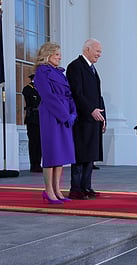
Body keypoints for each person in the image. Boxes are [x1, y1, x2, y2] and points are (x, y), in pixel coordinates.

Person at [33, 42, 77, 204]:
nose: (60, 57)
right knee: (52, 153)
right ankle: (48, 191)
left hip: (65, 112)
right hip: (51, 114)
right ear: (48, 54)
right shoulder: (41, 72)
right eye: (57, 54)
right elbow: (48, 96)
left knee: (61, 154)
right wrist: (65, 115)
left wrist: (73, 112)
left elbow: (69, 94)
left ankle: (57, 189)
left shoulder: (60, 73)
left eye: (59, 54)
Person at [66, 38, 105, 200]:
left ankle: (86, 186)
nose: (99, 55)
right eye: (97, 51)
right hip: (82, 119)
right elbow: (77, 93)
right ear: (87, 49)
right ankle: (76, 188)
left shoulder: (93, 69)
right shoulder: (75, 66)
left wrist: (104, 118)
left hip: (94, 118)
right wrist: (90, 110)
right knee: (80, 154)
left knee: (90, 155)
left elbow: (98, 95)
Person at [22, 74, 42, 172]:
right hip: (33, 119)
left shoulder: (42, 88)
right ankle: (34, 164)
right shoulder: (28, 89)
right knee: (34, 142)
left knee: (40, 142)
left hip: (41, 119)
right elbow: (28, 95)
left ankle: (38, 163)